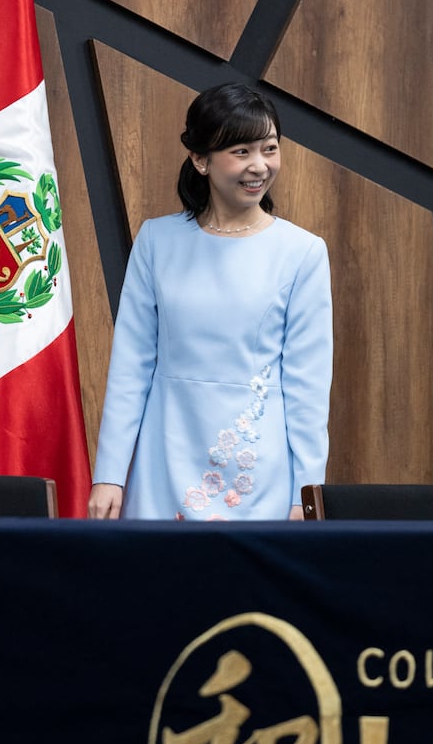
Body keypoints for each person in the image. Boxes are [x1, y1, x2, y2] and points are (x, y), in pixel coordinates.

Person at [88, 83, 333, 521]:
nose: (259, 165)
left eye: (270, 148)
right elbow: (130, 366)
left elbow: (307, 389)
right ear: (200, 160)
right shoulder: (156, 241)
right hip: (164, 456)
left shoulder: (302, 252)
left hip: (256, 470)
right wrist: (109, 474)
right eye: (241, 151)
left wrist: (304, 495)